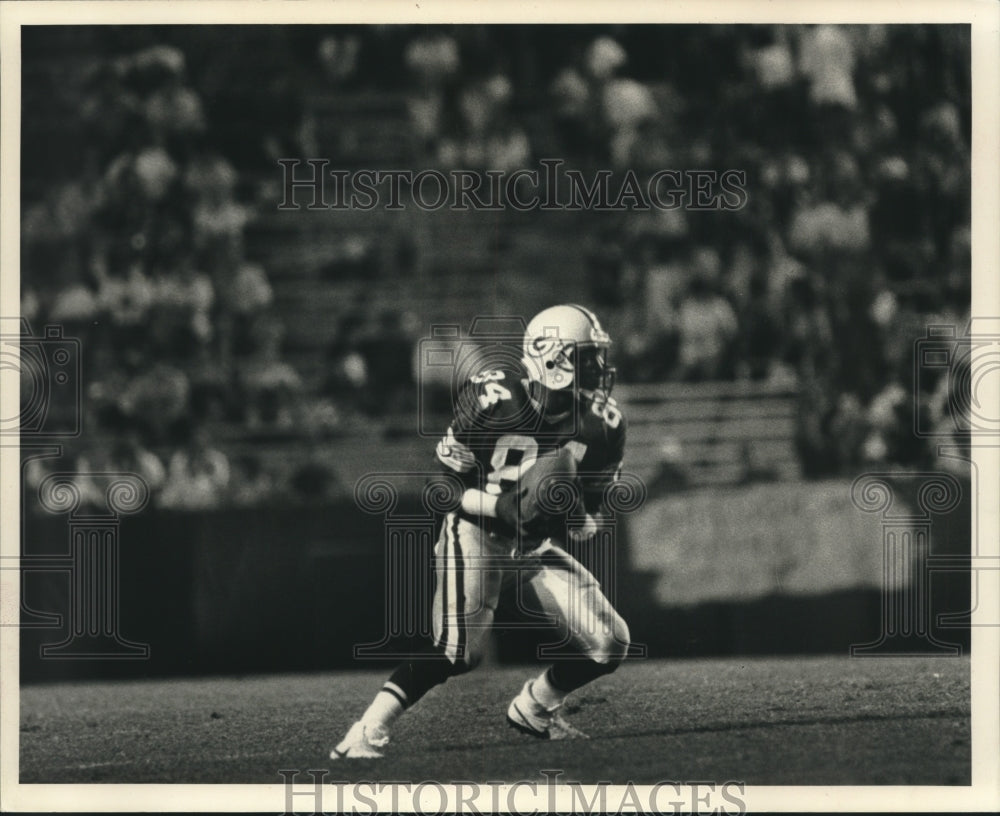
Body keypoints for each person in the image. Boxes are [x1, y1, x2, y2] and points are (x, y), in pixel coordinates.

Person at [331, 305, 632, 758]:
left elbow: (585, 507)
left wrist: (580, 517)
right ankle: (364, 733)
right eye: (588, 359)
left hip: (530, 542)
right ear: (553, 359)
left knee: (610, 642)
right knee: (457, 652)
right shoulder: (494, 397)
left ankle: (535, 707)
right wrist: (500, 506)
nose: (599, 370)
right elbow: (440, 484)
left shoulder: (603, 424)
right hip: (475, 529)